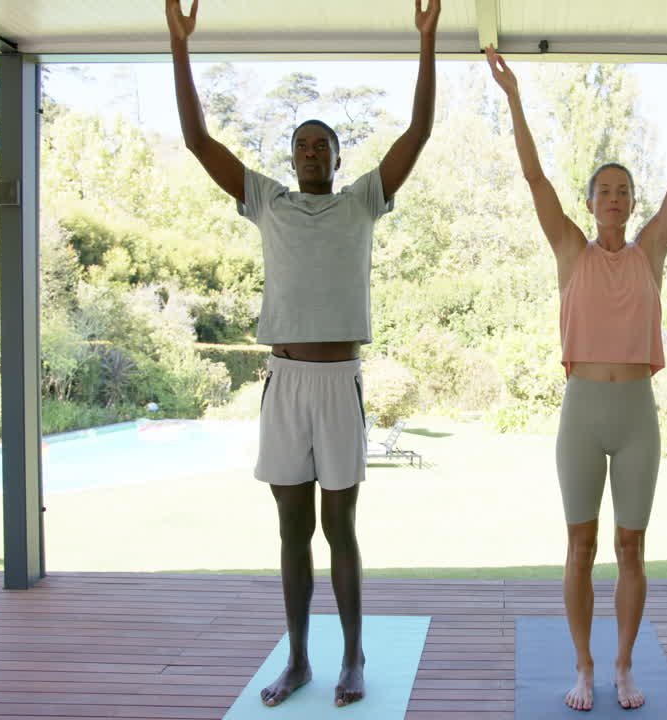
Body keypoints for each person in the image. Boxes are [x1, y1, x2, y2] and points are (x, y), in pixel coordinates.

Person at [165, 0, 439, 707]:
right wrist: (179, 43)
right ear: (291, 158)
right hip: (284, 381)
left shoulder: (361, 202)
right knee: (291, 528)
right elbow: (198, 140)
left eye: (322, 145)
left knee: (338, 525)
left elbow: (419, 131)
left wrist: (428, 40)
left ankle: (352, 657)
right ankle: (297, 660)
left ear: (338, 158)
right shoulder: (267, 200)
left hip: (339, 380)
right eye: (302, 145)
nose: (312, 153)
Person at [486, 37, 667, 711]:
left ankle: (622, 667)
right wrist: (515, 100)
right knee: (581, 545)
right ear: (590, 203)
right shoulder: (569, 250)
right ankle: (583, 667)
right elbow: (534, 180)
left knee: (632, 547)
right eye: (603, 190)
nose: (614, 198)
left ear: (631, 201)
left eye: (623, 190)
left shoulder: (651, 251)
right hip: (582, 412)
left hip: (636, 413)